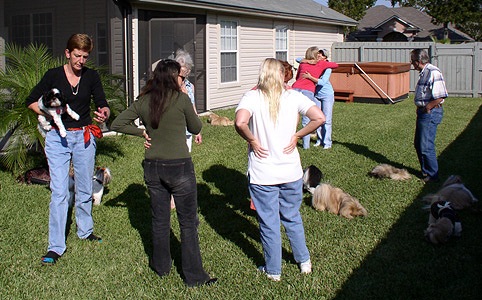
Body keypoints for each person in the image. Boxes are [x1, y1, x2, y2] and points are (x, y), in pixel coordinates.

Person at [110, 59, 216, 287]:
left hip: (153, 167)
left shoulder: (144, 100)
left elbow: (117, 124)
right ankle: (194, 276)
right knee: (188, 223)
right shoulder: (182, 99)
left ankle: (161, 268)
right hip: (179, 167)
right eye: (180, 76)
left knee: (160, 220)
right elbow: (196, 127)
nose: (183, 80)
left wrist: (141, 133)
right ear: (172, 77)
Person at [235, 58, 325, 281]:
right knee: (292, 216)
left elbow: (239, 122)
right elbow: (319, 117)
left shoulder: (252, 96)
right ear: (282, 74)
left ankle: (273, 271)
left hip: (262, 173)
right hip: (291, 172)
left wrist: (252, 140)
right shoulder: (294, 96)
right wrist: (298, 135)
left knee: (269, 223)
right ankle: (304, 261)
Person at [26, 33, 110, 265]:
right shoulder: (53, 75)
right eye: (77, 56)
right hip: (57, 138)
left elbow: (103, 103)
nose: (81, 61)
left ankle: (85, 231)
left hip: (84, 136)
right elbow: (32, 100)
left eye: (85, 56)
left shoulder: (91, 76)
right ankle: (55, 246)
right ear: (67, 53)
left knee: (84, 187)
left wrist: (104, 113)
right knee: (60, 191)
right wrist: (51, 115)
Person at [410, 48, 448, 183]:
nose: (411, 64)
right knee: (418, 143)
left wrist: (427, 108)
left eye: (412, 61)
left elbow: (441, 95)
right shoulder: (424, 72)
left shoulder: (433, 72)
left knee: (426, 145)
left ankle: (432, 175)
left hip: (431, 113)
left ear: (418, 61)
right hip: (423, 112)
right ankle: (426, 172)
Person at [292, 46, 338, 149]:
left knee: (326, 119)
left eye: (322, 54)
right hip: (316, 93)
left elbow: (322, 82)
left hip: (327, 94)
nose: (319, 55)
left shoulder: (327, 67)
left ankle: (327, 143)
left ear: (325, 57)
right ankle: (319, 140)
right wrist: (308, 61)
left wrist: (309, 77)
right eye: (319, 53)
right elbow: (298, 59)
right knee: (316, 117)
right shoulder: (310, 62)